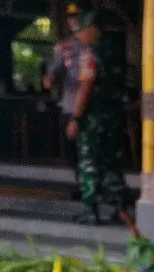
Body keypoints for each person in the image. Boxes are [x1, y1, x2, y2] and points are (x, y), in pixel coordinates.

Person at [68, 11, 131, 225]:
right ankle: (121, 208)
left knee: (89, 161)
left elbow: (85, 87)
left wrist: (76, 118)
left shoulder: (91, 54)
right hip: (114, 116)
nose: (77, 36)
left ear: (91, 28)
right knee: (111, 161)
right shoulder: (115, 51)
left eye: (79, 31)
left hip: (94, 117)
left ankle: (91, 210)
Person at [43, 2, 89, 198]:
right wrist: (50, 79)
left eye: (77, 16)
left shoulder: (93, 45)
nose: (73, 20)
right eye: (70, 17)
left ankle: (94, 189)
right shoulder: (65, 47)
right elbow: (53, 72)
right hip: (70, 105)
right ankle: (83, 186)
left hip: (91, 108)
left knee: (91, 151)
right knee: (74, 152)